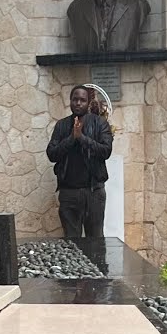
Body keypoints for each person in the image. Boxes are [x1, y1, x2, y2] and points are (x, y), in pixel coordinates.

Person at [46, 85, 113, 238]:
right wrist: (71, 139)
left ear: (88, 103)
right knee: (71, 242)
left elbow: (106, 151)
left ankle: (96, 264)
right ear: (70, 101)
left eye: (82, 100)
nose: (78, 103)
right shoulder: (62, 125)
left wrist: (82, 138)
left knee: (95, 240)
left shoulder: (100, 123)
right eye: (75, 99)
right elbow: (52, 154)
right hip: (68, 192)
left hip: (93, 192)